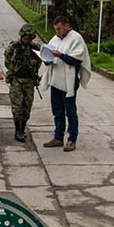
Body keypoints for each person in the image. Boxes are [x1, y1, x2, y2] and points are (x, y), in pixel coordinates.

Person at [40, 15, 91, 152]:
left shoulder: (76, 38)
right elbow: (50, 56)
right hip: (55, 80)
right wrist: (46, 59)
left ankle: (71, 139)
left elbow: (76, 60)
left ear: (67, 26)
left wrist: (60, 55)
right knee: (57, 110)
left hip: (69, 80)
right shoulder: (55, 39)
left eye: (59, 29)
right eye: (55, 29)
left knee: (70, 111)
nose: (57, 32)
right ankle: (58, 137)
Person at [5, 23, 41, 142]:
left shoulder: (35, 48)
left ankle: (22, 128)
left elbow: (39, 62)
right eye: (26, 37)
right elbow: (7, 62)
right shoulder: (14, 47)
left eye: (30, 38)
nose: (27, 40)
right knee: (17, 106)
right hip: (16, 80)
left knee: (27, 107)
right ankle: (18, 130)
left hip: (29, 81)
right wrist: (16, 65)